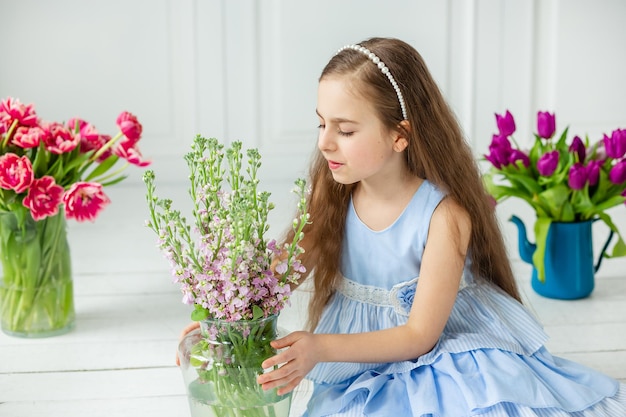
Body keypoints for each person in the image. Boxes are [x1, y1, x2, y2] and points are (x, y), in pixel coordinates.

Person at [184, 37, 626, 416]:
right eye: (321, 123)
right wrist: (223, 321)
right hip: (359, 359)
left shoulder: (444, 216)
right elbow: (276, 278)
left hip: (445, 351)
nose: (324, 142)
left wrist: (318, 347)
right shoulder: (332, 193)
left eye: (346, 129)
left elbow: (419, 336)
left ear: (400, 134)